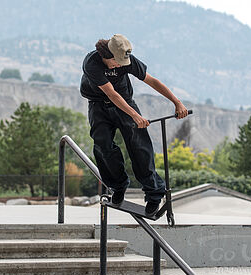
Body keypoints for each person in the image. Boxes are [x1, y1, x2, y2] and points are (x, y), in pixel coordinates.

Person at [80, 34, 188, 215]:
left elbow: (152, 81)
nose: (120, 66)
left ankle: (154, 194)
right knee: (102, 145)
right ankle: (117, 186)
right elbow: (111, 94)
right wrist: (136, 116)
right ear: (107, 57)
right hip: (99, 104)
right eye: (116, 63)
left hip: (126, 101)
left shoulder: (128, 60)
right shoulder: (91, 62)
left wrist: (177, 102)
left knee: (139, 146)